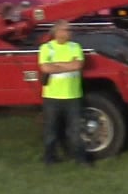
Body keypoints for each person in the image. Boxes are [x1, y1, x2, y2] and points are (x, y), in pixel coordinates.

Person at [37, 19, 89, 166]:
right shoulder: (47, 48)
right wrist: (68, 65)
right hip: (52, 97)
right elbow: (45, 68)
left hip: (73, 96)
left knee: (75, 131)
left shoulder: (75, 47)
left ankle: (80, 159)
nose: (69, 32)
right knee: (51, 130)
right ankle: (49, 158)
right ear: (57, 32)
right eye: (67, 29)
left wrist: (57, 65)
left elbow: (78, 65)